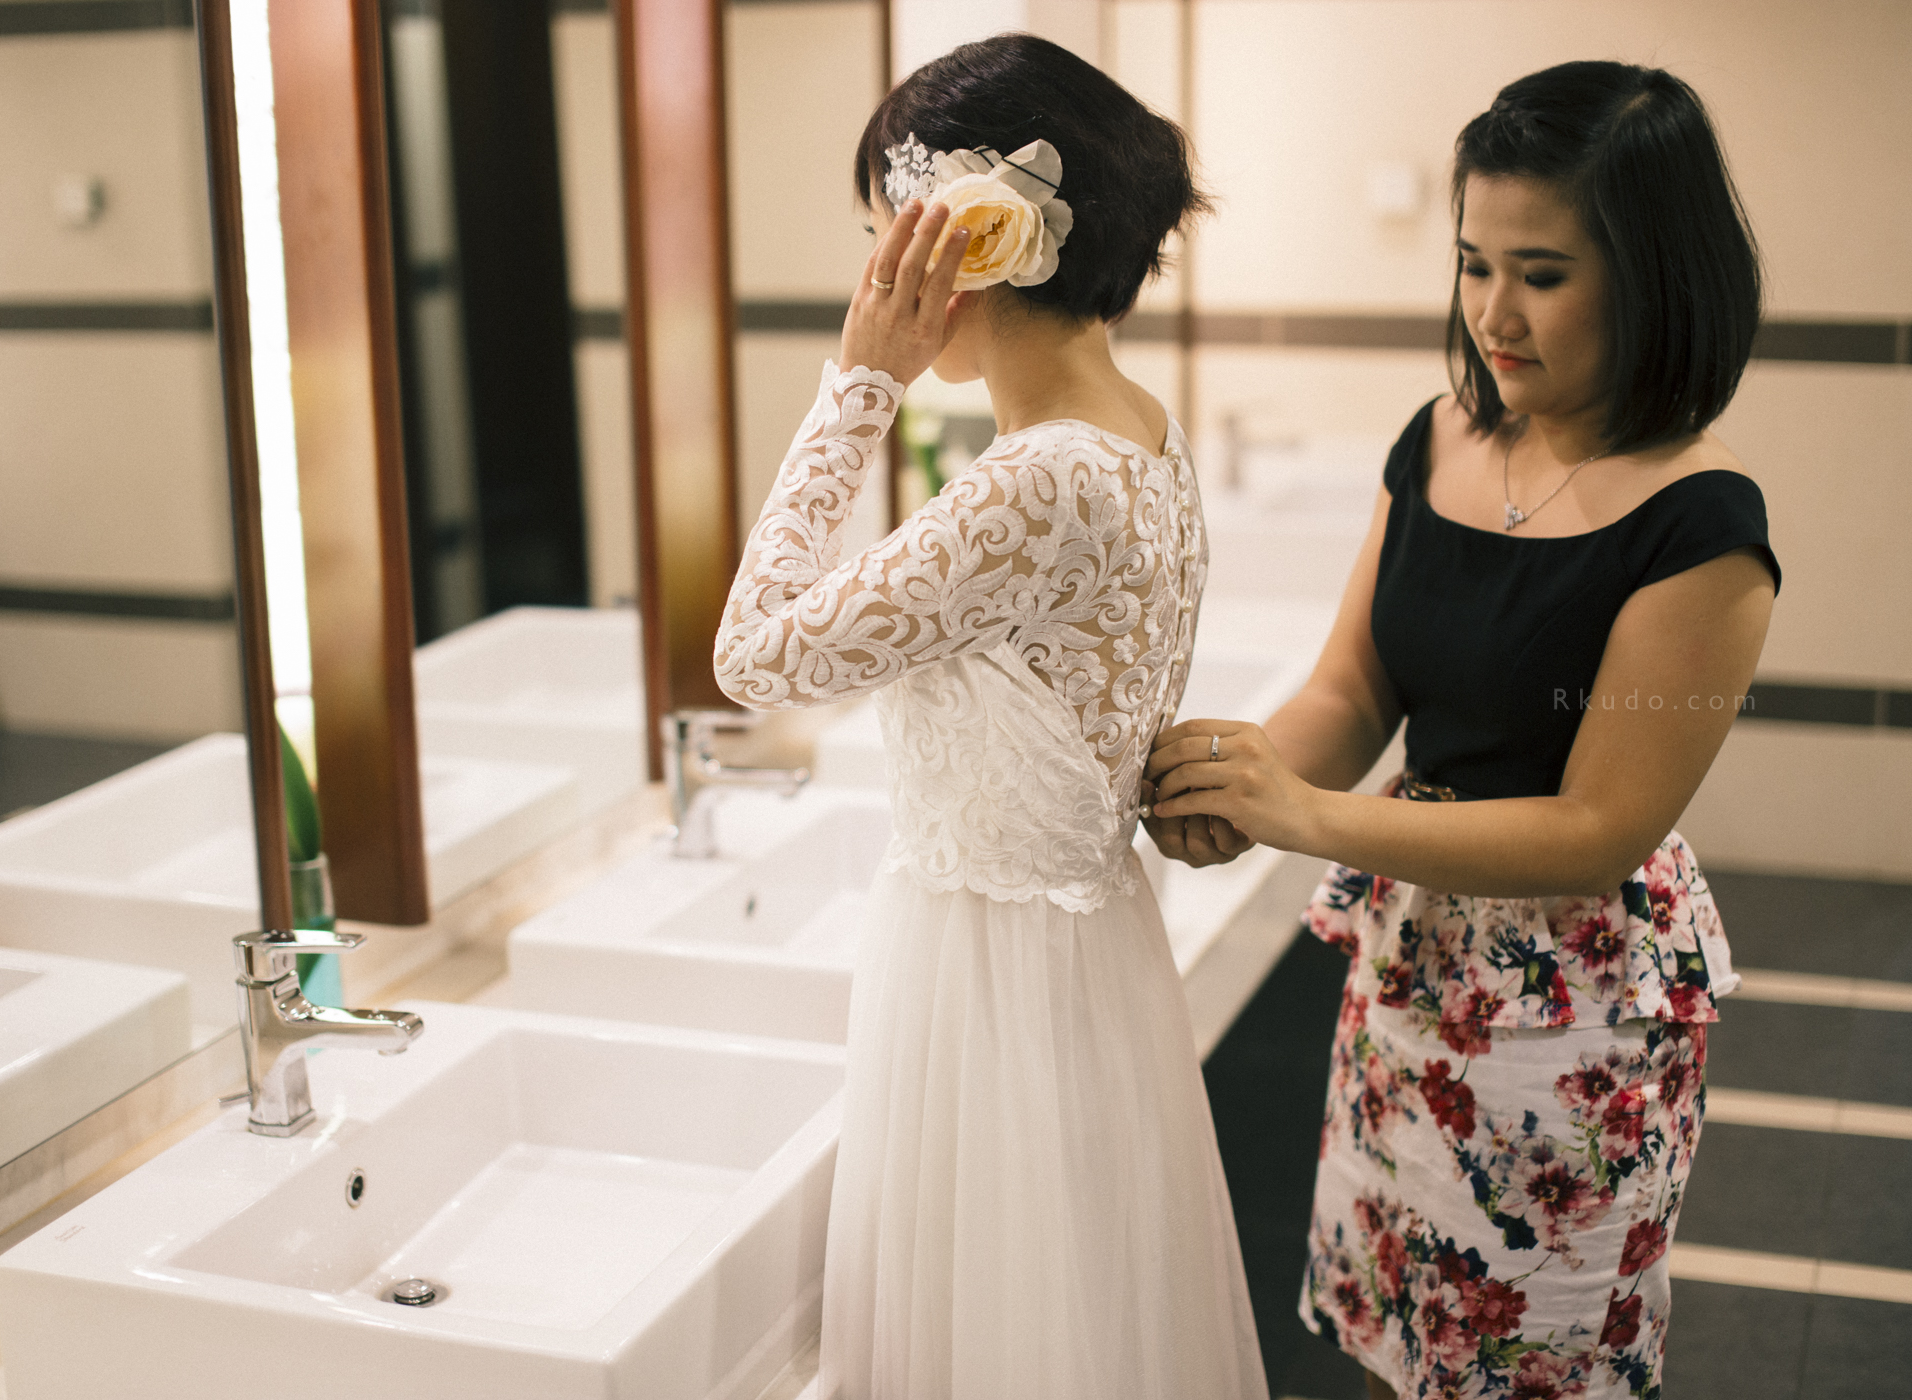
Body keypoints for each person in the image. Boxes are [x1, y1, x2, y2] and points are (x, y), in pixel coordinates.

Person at [1144, 61, 1777, 1399]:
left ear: (1654, 275)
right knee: (1399, 1342)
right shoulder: (1438, 437)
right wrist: (1230, 786)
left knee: (1529, 1368)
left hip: (1577, 1019)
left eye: (1542, 273)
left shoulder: (1700, 523)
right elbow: (1353, 688)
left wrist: (1302, 814)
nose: (1494, 312)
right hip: (1411, 974)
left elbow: (1596, 828)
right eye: (1473, 263)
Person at [714, 34, 1268, 1400]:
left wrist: (859, 386)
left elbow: (752, 656)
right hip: (1082, 958)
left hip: (989, 977)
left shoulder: (1039, 481)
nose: (877, 274)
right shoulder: (1140, 428)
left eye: (884, 237)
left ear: (964, 243)